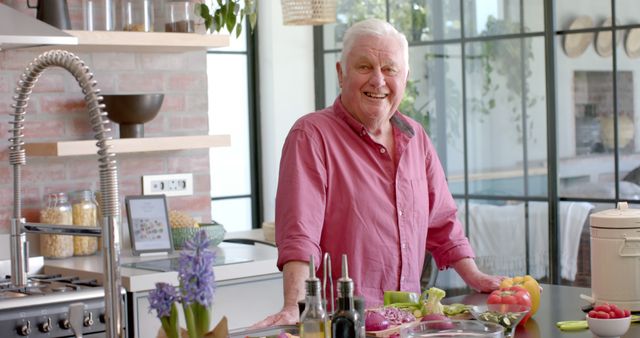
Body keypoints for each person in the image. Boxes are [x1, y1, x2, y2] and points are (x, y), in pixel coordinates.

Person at [252, 18, 502, 328]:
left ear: (405, 77)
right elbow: (300, 235)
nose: (378, 80)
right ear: (341, 73)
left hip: (406, 322)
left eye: (390, 69)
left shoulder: (416, 136)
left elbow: (442, 222)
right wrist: (294, 306)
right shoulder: (311, 135)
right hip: (342, 324)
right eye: (364, 67)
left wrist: (474, 276)